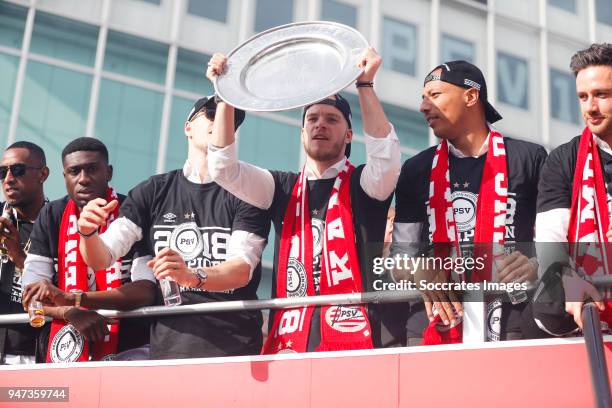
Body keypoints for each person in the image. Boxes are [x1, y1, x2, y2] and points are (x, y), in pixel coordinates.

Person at [207, 47, 400, 352]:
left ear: (350, 135)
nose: (320, 124)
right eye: (312, 119)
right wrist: (225, 97)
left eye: (332, 119)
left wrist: (365, 86)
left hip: (356, 340)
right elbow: (221, 168)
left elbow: (387, 161)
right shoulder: (281, 187)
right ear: (301, 133)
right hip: (290, 340)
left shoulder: (363, 184)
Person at [75, 97, 271, 360]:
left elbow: (241, 270)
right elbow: (101, 257)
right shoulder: (153, 190)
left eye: (231, 120)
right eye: (212, 113)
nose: (222, 121)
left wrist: (190, 275)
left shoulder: (250, 190)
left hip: (235, 347)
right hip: (167, 347)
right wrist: (87, 233)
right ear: (187, 127)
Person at [390, 60, 547, 344]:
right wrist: (417, 270)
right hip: (435, 323)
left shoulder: (529, 157)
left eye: (434, 95)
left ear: (471, 96)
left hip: (513, 319)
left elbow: (560, 240)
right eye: (423, 99)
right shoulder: (415, 169)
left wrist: (537, 263)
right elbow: (398, 260)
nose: (424, 107)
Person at [22, 137, 152, 363]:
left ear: (108, 172)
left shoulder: (132, 211)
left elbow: (146, 291)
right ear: (64, 177)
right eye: (74, 171)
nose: (83, 179)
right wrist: (70, 313)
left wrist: (75, 300)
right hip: (62, 347)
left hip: (129, 349)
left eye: (92, 169)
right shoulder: (51, 214)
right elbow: (31, 299)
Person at [531, 43, 612, 337]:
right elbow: (550, 242)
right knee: (549, 299)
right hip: (592, 299)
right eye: (583, 97)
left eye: (601, 95)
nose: (590, 107)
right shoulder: (563, 160)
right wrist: (568, 280)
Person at [0, 142, 49, 364]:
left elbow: (65, 288)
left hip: (38, 350)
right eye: (2, 172)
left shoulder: (59, 220)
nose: (8, 179)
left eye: (18, 170)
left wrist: (18, 256)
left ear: (43, 174)